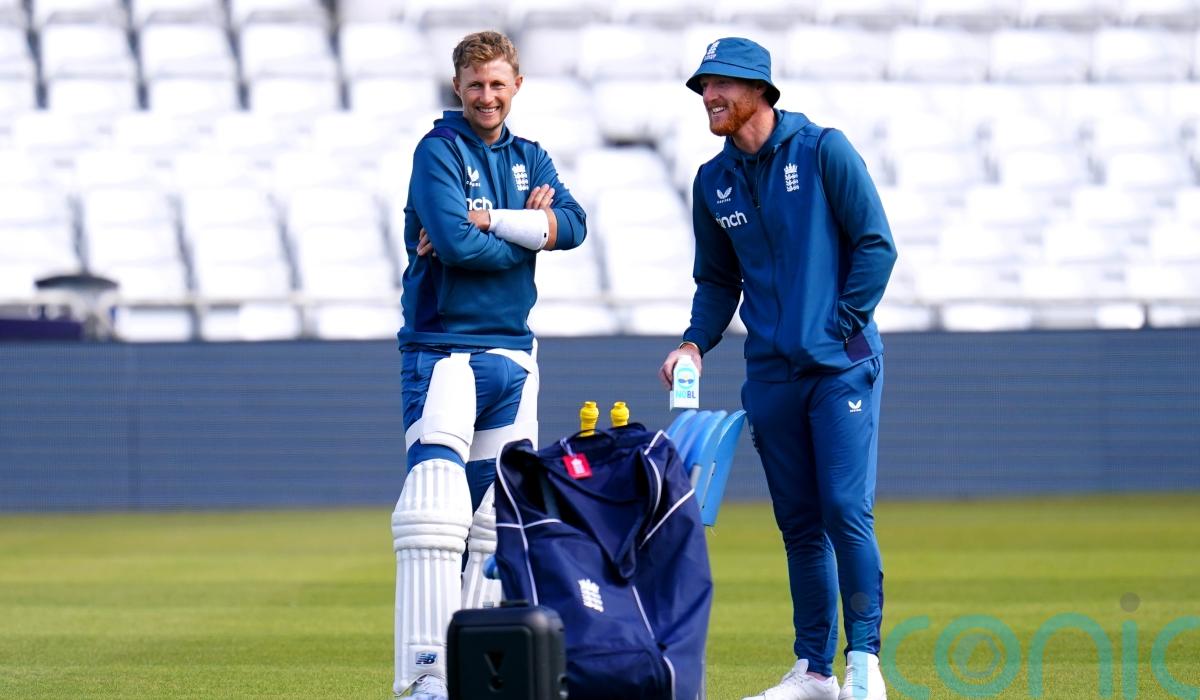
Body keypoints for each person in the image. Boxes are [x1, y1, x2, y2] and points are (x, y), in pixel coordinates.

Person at [659, 37, 897, 700]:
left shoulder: (824, 150)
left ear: (759, 89)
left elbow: (876, 245)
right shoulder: (713, 181)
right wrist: (693, 344)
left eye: (721, 84)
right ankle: (815, 671)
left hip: (839, 368)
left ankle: (864, 665)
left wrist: (838, 324)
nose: (709, 96)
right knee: (798, 523)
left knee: (845, 509)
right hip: (769, 377)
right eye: (703, 86)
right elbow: (717, 281)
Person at [390, 30, 586, 700]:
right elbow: (453, 245)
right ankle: (425, 676)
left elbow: (576, 225)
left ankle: (471, 673)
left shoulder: (531, 155)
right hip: (445, 348)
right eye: (475, 84)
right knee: (433, 514)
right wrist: (528, 236)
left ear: (516, 86)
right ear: (458, 87)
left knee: (492, 522)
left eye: (498, 84)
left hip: (514, 355)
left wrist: (491, 220)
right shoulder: (438, 150)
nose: (487, 96)